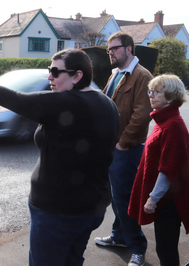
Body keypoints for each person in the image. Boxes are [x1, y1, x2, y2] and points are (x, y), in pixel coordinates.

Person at [0, 48, 120, 266]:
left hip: (58, 211)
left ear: (77, 76)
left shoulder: (65, 103)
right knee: (73, 260)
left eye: (55, 72)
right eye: (48, 70)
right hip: (93, 207)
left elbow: (14, 99)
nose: (49, 77)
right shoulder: (108, 104)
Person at [94, 32, 153, 266]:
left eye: (114, 49)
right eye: (109, 50)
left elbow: (141, 116)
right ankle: (119, 237)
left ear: (128, 49)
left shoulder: (142, 76)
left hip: (127, 149)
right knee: (116, 198)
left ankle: (137, 248)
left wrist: (122, 143)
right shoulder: (116, 74)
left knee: (125, 198)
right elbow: (105, 101)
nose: (110, 53)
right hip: (111, 147)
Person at [128, 74, 189, 266]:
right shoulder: (163, 120)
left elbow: (169, 168)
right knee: (164, 247)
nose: (151, 95)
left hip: (169, 200)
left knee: (165, 249)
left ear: (171, 97)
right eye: (150, 91)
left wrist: (153, 199)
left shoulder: (173, 125)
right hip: (165, 198)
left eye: (156, 92)